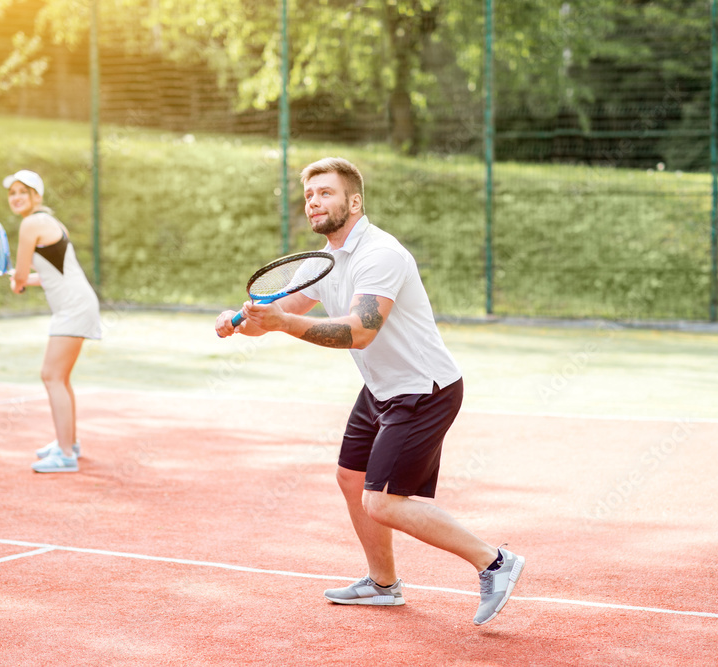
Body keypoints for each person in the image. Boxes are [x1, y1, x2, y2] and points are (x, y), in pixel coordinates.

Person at [215, 157, 523, 625]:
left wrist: (283, 322)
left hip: (424, 389)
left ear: (354, 201)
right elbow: (281, 313)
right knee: (350, 479)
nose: (314, 201)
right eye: (309, 194)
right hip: (382, 387)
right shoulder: (324, 259)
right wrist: (242, 323)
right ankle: (383, 585)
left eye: (326, 192)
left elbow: (360, 331)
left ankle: (494, 562)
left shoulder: (381, 254)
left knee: (381, 502)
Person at [3, 169, 101, 473]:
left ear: (37, 196)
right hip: (76, 303)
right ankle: (68, 442)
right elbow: (50, 275)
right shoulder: (49, 222)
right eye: (12, 193)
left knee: (51, 375)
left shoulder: (31, 223)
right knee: (60, 377)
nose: (17, 197)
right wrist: (24, 281)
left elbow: (20, 274)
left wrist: (18, 281)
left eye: (23, 191)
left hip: (73, 307)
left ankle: (66, 454)